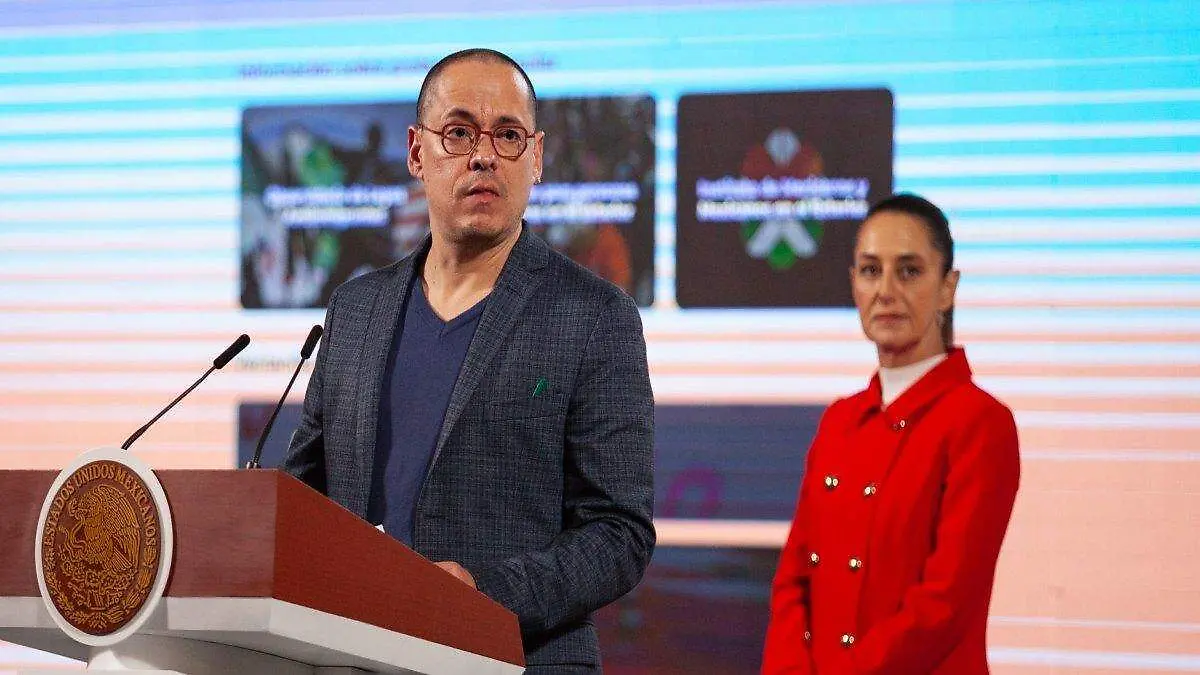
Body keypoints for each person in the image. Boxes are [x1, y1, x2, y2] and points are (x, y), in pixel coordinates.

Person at [282, 48, 655, 673]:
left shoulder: (596, 317)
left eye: (507, 136)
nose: (484, 156)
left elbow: (620, 534)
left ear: (536, 158)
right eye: (458, 133)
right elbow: (304, 496)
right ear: (416, 151)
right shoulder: (356, 309)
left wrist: (482, 592)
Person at [762, 193, 1020, 674]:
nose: (885, 291)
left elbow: (944, 604)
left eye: (909, 271)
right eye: (870, 270)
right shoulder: (839, 421)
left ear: (947, 288)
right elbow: (794, 580)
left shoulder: (980, 422)